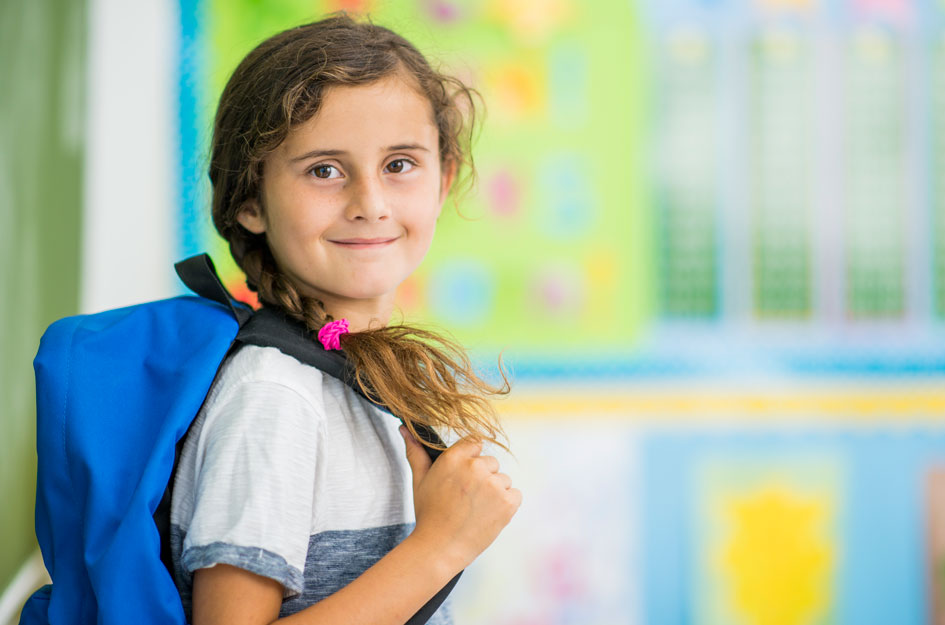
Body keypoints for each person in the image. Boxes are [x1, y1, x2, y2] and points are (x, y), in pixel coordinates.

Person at [168, 13, 522, 625]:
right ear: (250, 201)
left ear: (445, 180)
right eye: (324, 170)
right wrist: (440, 548)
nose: (370, 204)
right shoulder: (275, 398)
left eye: (400, 164)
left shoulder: (356, 376)